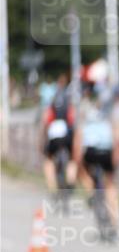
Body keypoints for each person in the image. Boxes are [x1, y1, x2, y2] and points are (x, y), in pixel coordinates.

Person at [73, 83, 119, 240]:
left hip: (90, 152)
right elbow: (117, 136)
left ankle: (91, 192)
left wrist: (77, 158)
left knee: (82, 172)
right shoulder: (110, 111)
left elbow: (79, 135)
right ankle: (114, 223)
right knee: (110, 185)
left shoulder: (84, 110)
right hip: (107, 151)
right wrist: (118, 155)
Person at [38, 73, 77, 203]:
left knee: (48, 160)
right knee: (72, 159)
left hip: (54, 134)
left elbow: (45, 121)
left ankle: (53, 189)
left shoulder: (52, 100)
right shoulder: (69, 100)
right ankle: (71, 182)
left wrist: (42, 140)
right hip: (67, 134)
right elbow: (73, 121)